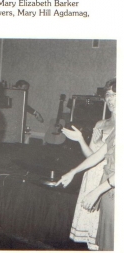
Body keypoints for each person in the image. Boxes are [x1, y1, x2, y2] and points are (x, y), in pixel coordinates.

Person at [56, 81, 116, 251]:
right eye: (109, 95)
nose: (111, 99)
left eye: (116, 95)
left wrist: (97, 190)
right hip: (99, 177)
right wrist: (73, 171)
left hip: (109, 182)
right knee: (101, 236)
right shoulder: (102, 124)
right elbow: (96, 155)